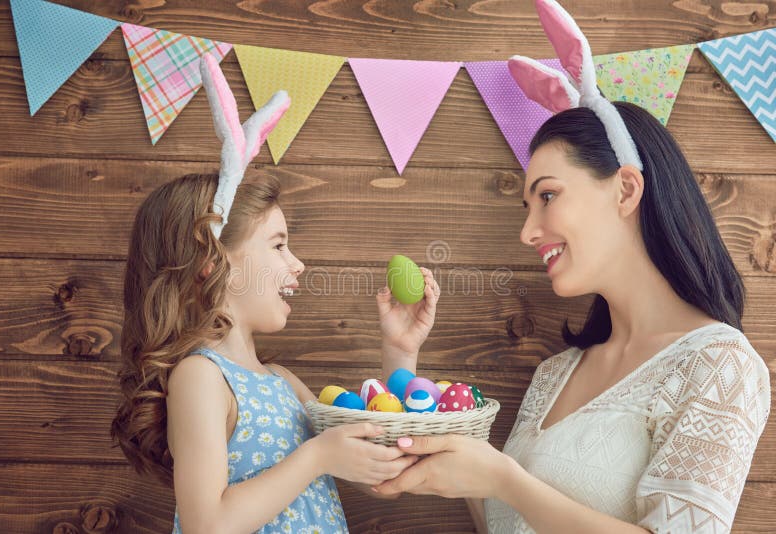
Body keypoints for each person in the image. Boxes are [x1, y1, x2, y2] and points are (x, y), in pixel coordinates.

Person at [372, 1, 771, 533]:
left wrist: (503, 479)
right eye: (528, 206)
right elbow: (504, 520)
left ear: (626, 188)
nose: (528, 231)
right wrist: (402, 356)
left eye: (549, 196)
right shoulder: (555, 375)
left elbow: (507, 488)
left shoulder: (718, 366)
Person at [110, 54, 440, 533]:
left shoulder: (282, 382)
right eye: (279, 245)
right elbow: (207, 525)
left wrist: (400, 349)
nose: (297, 263)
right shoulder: (200, 378)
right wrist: (317, 457)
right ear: (212, 264)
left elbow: (383, 465)